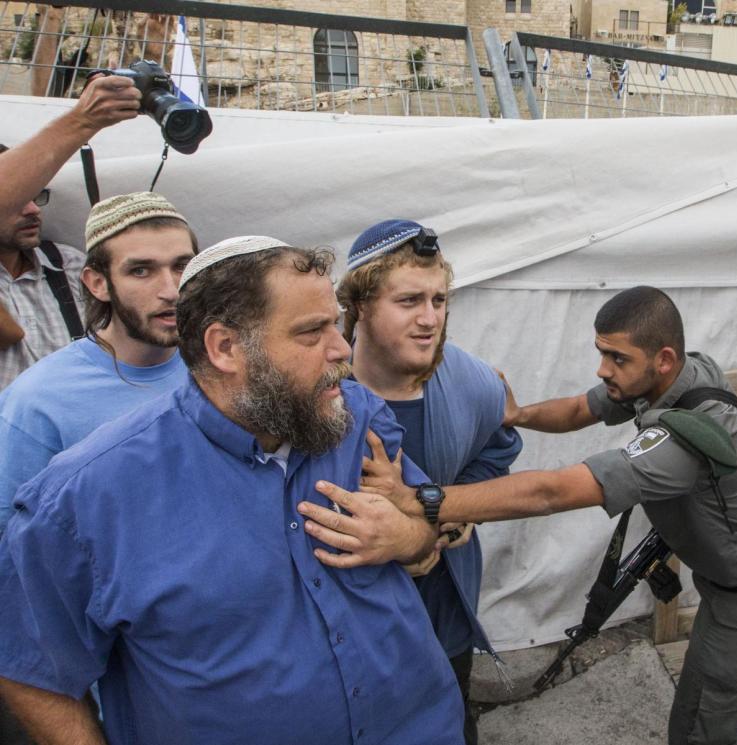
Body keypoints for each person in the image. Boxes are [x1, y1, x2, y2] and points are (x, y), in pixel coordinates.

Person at [0, 236, 463, 745]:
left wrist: (407, 534)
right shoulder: (87, 498)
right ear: (224, 348)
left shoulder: (356, 418)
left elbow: (425, 534)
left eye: (334, 323)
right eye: (312, 332)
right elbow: (29, 669)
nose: (342, 350)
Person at [301, 285, 737, 745]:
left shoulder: (684, 439)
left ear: (663, 359)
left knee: (698, 724)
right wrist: (520, 416)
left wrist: (420, 499)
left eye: (615, 357)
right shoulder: (675, 375)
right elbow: (582, 408)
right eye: (602, 352)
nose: (603, 369)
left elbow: (549, 492)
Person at [339, 219, 522, 744]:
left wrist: (460, 506)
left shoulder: (473, 383)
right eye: (409, 301)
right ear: (360, 306)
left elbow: (497, 450)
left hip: (442, 610)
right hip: (357, 623)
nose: (429, 320)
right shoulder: (324, 391)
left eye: (438, 301)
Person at [0, 192, 195, 533]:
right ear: (98, 283)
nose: (171, 290)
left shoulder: (224, 368)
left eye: (182, 266)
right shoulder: (39, 400)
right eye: (141, 270)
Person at [0, 75, 142, 388]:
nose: (34, 210)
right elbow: (11, 333)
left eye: (36, 196)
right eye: (17, 199)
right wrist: (82, 120)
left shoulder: (69, 265)